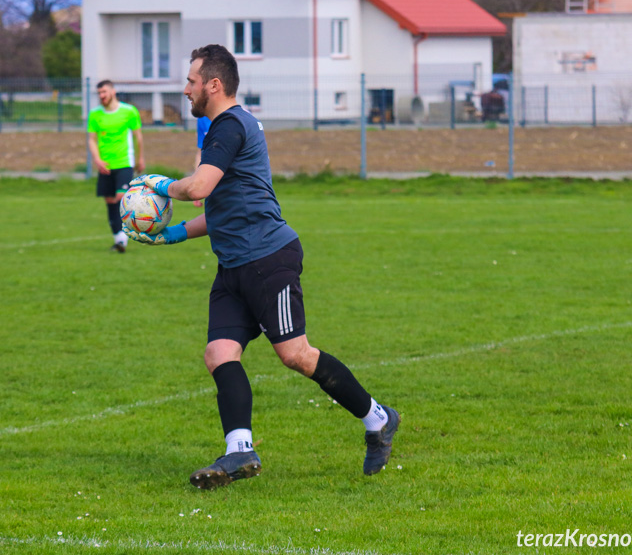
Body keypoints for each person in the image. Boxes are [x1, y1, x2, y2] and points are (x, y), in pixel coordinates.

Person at [126, 44, 400, 490]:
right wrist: (172, 233)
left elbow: (200, 185)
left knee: (296, 355)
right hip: (234, 265)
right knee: (219, 354)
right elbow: (224, 210)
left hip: (269, 260)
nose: (186, 89)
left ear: (213, 85)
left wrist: (158, 184)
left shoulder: (230, 126)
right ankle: (239, 451)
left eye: (191, 81)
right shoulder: (220, 126)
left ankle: (379, 419)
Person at [88, 80, 145, 253]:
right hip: (105, 165)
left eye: (104, 92)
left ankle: (125, 236)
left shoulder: (129, 111)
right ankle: (119, 239)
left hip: (124, 162)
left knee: (121, 198)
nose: (101, 96)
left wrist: (140, 158)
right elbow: (91, 139)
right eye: (99, 93)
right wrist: (97, 160)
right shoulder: (95, 114)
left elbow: (138, 137)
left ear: (113, 91)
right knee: (110, 202)